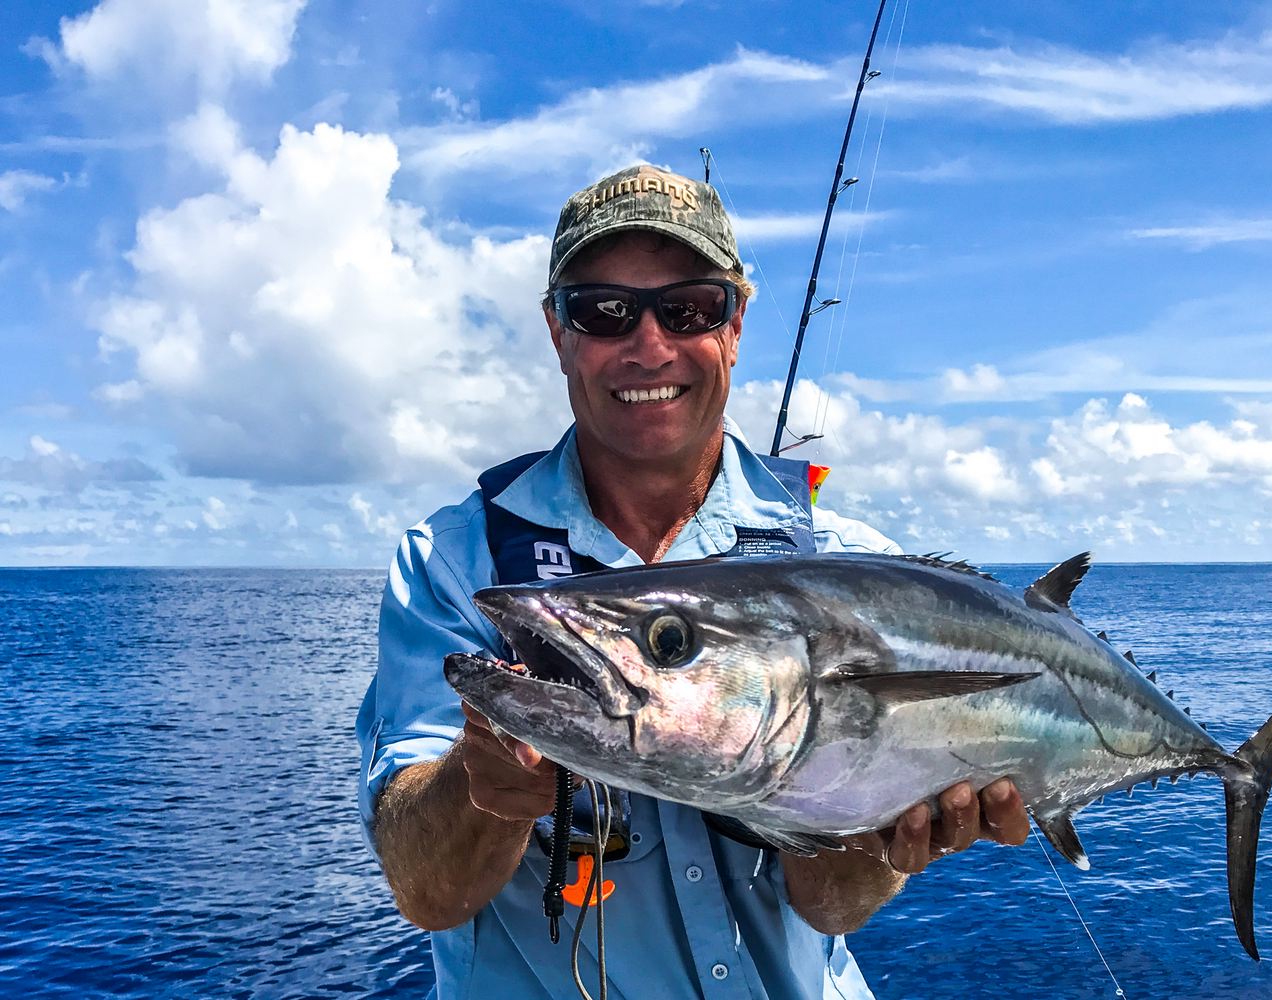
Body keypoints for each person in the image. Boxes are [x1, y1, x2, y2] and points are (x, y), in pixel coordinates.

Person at [356, 164, 1030, 999]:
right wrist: (479, 787)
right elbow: (426, 893)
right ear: (557, 331)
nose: (649, 345)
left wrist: (882, 828)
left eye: (689, 309)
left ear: (735, 324)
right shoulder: (453, 564)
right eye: (603, 310)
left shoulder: (855, 573)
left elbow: (828, 907)